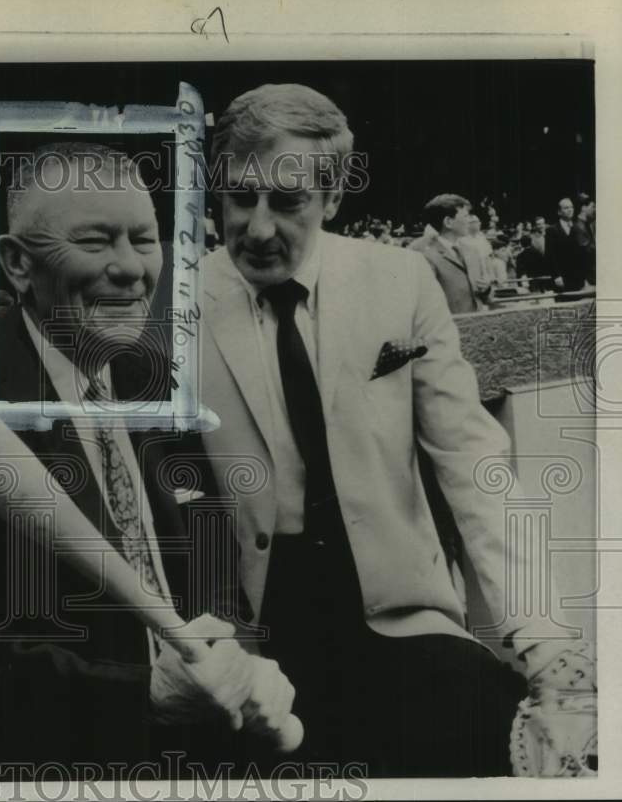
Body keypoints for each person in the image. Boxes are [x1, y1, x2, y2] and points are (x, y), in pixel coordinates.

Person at [194, 82, 587, 776]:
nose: (257, 227)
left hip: (400, 610)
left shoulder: (400, 281)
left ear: (333, 198)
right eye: (239, 196)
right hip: (254, 632)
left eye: (287, 202)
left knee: (508, 748)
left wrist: (542, 636)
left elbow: (472, 458)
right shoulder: (176, 303)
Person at [0, 142, 297, 782]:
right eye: (96, 241)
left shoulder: (151, 377)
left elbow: (217, 569)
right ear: (18, 264)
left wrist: (242, 667)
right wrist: (145, 696)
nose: (131, 269)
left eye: (144, 239)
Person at [409, 195, 489, 314]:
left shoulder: (472, 250)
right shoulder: (425, 254)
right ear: (448, 222)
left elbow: (484, 294)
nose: (470, 221)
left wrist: (486, 289)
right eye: (466, 216)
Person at [545, 197, 579, 290]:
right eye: (566, 208)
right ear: (559, 212)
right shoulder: (552, 230)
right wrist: (556, 276)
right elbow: (550, 255)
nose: (570, 210)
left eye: (571, 207)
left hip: (578, 277)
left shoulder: (577, 228)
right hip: (561, 278)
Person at [570, 192, 596, 288]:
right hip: (587, 281)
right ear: (583, 208)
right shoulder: (578, 227)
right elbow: (587, 251)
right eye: (593, 206)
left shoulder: (586, 226)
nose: (595, 210)